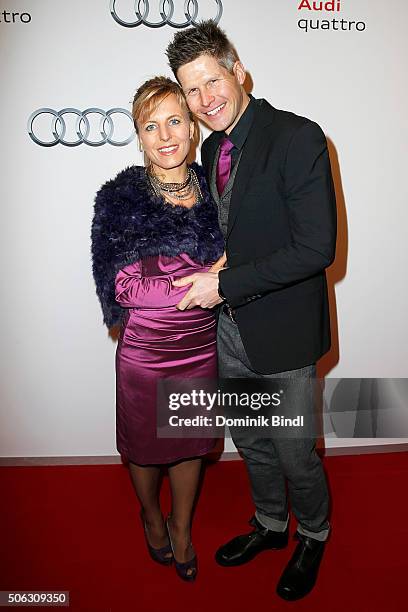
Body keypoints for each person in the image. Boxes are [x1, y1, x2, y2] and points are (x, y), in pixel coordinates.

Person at [166, 21, 337, 600]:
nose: (205, 99)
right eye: (191, 90)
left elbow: (316, 248)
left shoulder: (298, 136)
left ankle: (313, 531)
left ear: (238, 71)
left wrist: (227, 283)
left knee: (293, 448)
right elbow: (239, 233)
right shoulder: (211, 147)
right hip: (228, 332)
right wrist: (212, 269)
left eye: (213, 80)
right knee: (251, 440)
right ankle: (269, 523)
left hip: (282, 329)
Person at [91, 76, 225, 582]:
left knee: (191, 443)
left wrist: (221, 277)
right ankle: (151, 515)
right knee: (145, 448)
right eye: (151, 125)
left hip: (199, 347)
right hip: (146, 352)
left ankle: (182, 526)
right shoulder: (120, 198)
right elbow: (123, 287)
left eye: (175, 121)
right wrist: (208, 280)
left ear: (193, 128)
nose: (165, 135)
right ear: (139, 135)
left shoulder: (217, 192)